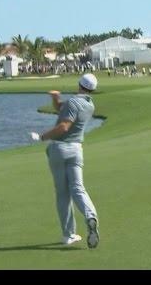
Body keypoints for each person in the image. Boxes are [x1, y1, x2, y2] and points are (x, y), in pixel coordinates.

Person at [30, 74, 100, 248]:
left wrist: (41, 137)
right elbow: (63, 108)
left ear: (79, 85)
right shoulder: (89, 105)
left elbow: (64, 126)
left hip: (60, 149)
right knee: (78, 188)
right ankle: (91, 216)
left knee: (62, 193)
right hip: (77, 150)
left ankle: (68, 235)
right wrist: (56, 99)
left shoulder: (73, 103)